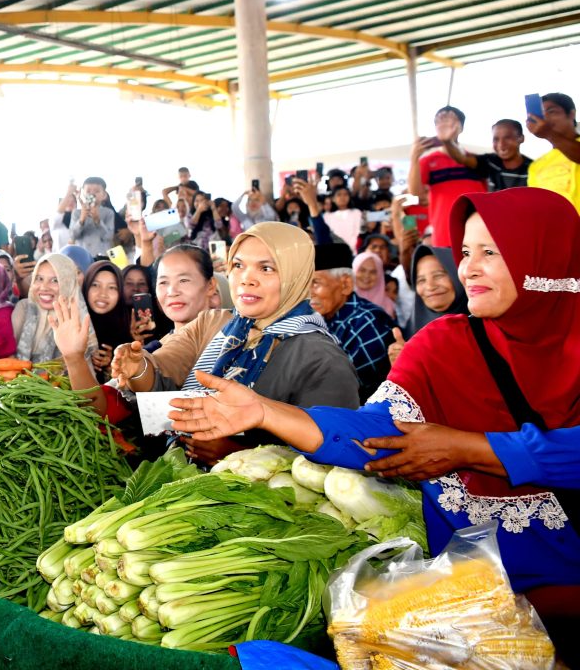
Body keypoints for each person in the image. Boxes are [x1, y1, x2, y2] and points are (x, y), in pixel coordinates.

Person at [168, 187, 580, 659]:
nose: (469, 267)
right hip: (477, 609)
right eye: (466, 252)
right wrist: (266, 412)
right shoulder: (442, 345)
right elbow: (372, 434)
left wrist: (472, 448)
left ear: (545, 258)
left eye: (492, 252)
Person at [112, 223, 359, 465]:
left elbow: (336, 453)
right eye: (238, 265)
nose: (246, 279)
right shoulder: (221, 324)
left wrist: (239, 454)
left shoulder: (322, 358)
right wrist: (138, 367)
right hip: (190, 486)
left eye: (267, 268)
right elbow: (163, 379)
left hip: (260, 501)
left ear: (297, 275)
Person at [310, 243, 395, 403]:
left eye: (316, 283)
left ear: (346, 284)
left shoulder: (367, 322)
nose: (307, 293)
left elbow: (341, 390)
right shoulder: (321, 317)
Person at [408, 105, 489, 247]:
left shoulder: (476, 161)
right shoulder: (428, 161)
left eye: (451, 121)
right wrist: (414, 157)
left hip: (479, 233)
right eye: (440, 121)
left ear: (461, 127)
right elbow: (415, 193)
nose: (445, 125)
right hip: (444, 236)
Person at [13, 252, 96, 364]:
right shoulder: (24, 308)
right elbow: (6, 355)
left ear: (68, 283)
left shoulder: (77, 320)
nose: (44, 287)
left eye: (55, 280)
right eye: (39, 278)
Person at [526, 92, 580, 214]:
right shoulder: (536, 166)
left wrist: (549, 134)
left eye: (551, 111)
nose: (546, 118)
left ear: (571, 114)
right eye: (542, 114)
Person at [83, 262, 133, 382]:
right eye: (95, 285)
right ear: (86, 287)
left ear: (120, 292)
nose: (103, 294)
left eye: (112, 287)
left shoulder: (128, 326)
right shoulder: (73, 324)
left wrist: (112, 363)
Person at [475, 119, 532, 190]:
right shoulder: (489, 162)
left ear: (521, 138)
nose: (501, 145)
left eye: (507, 138)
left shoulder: (534, 170)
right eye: (496, 139)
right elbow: (463, 158)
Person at [70, 177, 116, 257]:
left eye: (97, 191)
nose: (92, 194)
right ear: (82, 193)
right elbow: (72, 236)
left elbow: (108, 237)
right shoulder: (76, 213)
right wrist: (81, 220)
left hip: (102, 257)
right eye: (88, 191)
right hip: (81, 256)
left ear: (104, 195)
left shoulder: (108, 213)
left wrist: (97, 220)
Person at [352, 250, 397, 319]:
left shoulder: (388, 306)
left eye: (373, 272)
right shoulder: (342, 300)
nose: (367, 275)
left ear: (380, 275)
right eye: (362, 270)